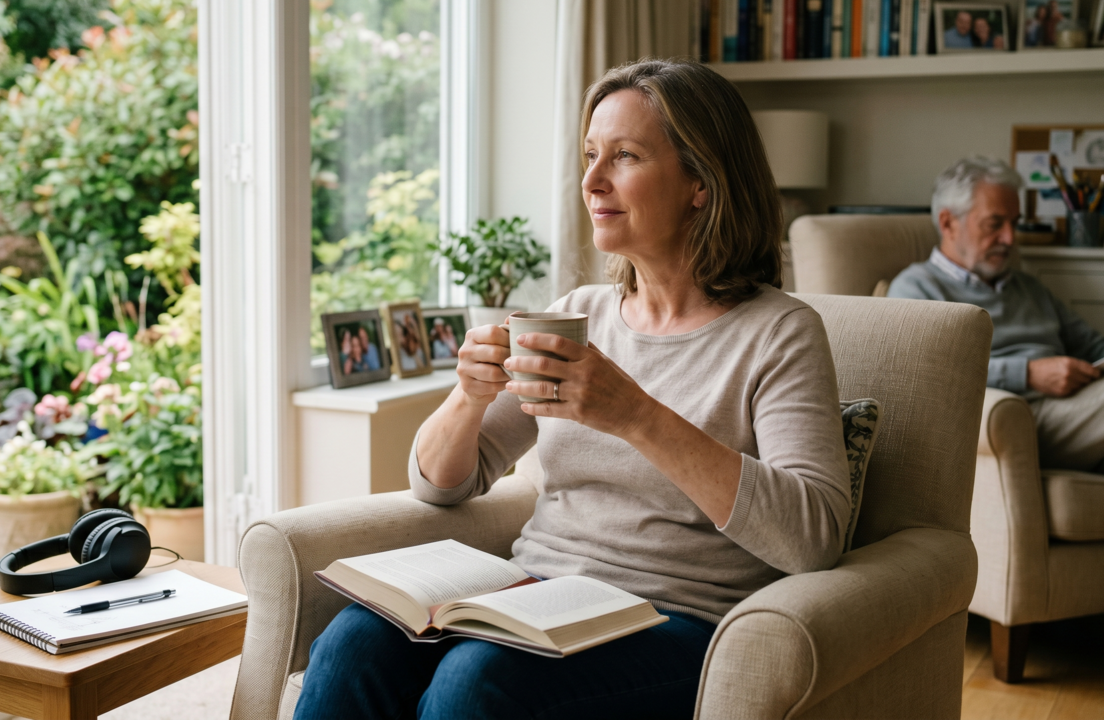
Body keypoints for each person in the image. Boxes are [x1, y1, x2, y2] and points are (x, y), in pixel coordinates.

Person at [293, 59, 850, 720]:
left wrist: (636, 415)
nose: (591, 182)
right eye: (590, 155)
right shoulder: (579, 312)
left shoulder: (779, 332)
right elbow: (440, 486)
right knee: (352, 644)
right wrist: (468, 396)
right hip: (539, 592)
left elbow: (815, 536)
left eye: (624, 157)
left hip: (677, 618)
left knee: (476, 682)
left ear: (700, 182)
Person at [887, 157, 1104, 472]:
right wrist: (1028, 374)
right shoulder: (916, 289)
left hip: (1078, 404)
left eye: (1014, 223)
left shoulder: (1027, 286)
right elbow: (926, 376)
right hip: (1016, 414)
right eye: (994, 224)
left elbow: (1093, 344)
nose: (1010, 239)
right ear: (948, 223)